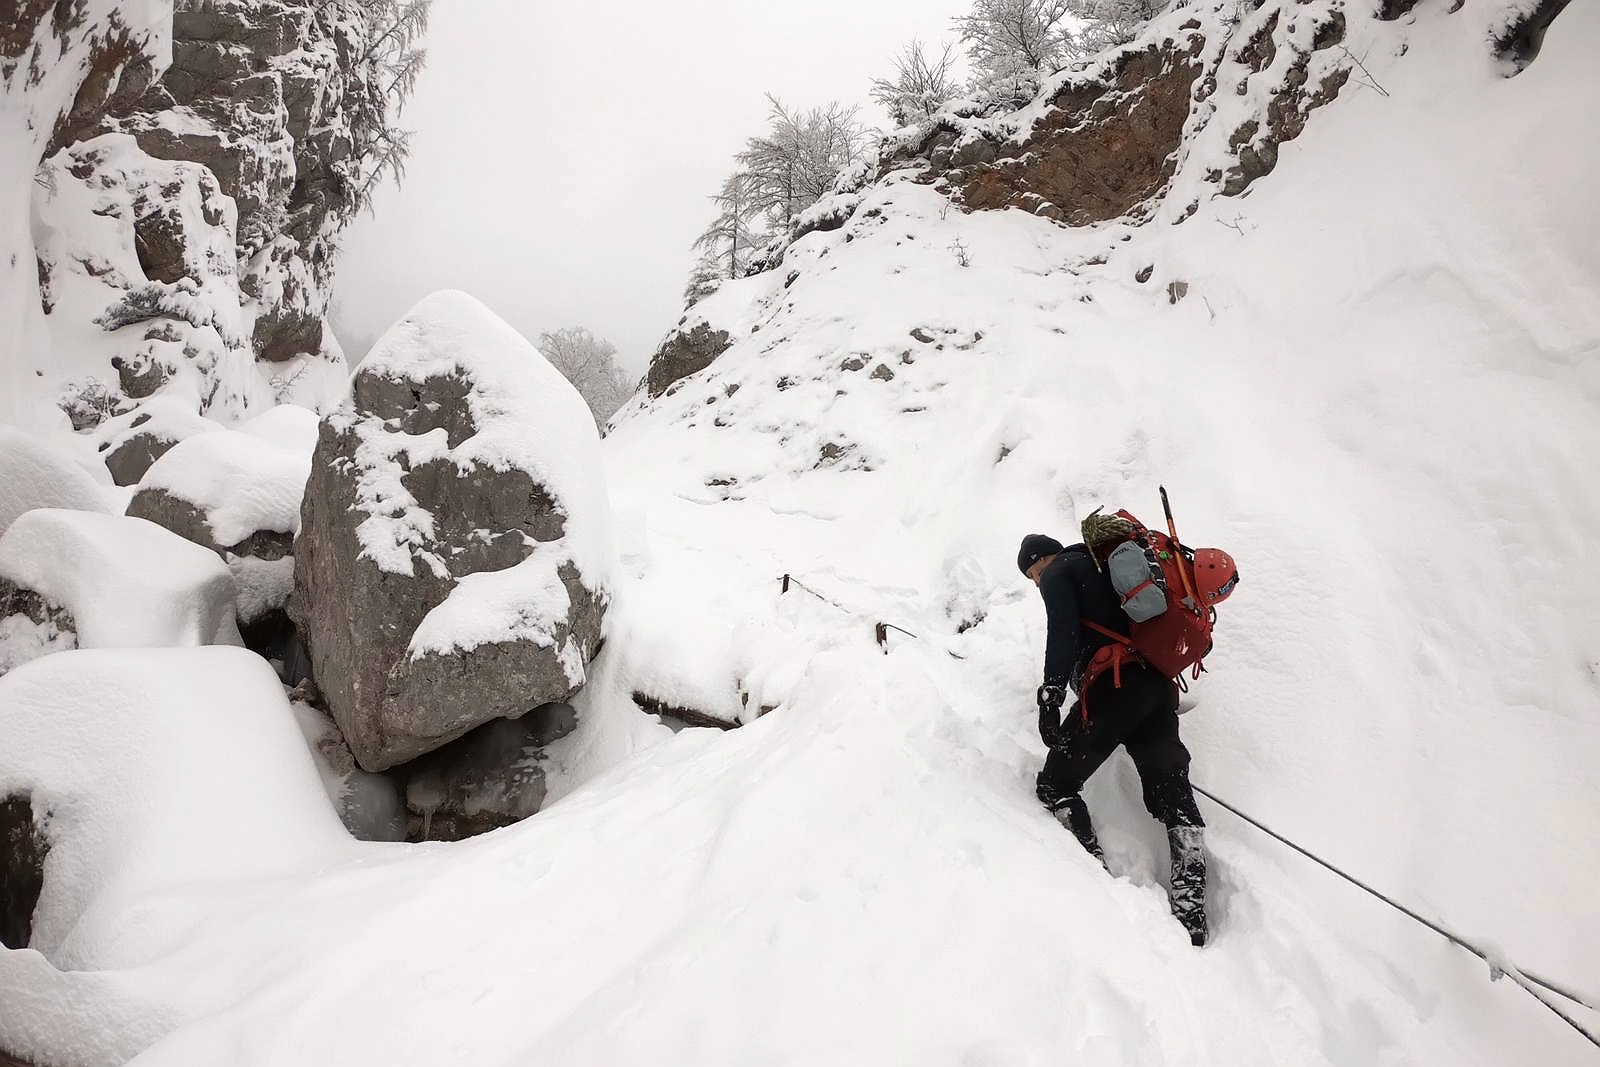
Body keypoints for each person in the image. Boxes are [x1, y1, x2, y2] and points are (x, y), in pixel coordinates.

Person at [1016, 515, 1210, 945]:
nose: (1037, 582)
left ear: (1043, 558)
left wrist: (1051, 696)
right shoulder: (1106, 565)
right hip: (1157, 686)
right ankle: (1191, 897)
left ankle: (1091, 882)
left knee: (1055, 785)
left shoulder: (1060, 571)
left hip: (1115, 683)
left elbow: (1063, 632)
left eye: (1033, 573)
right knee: (1171, 787)